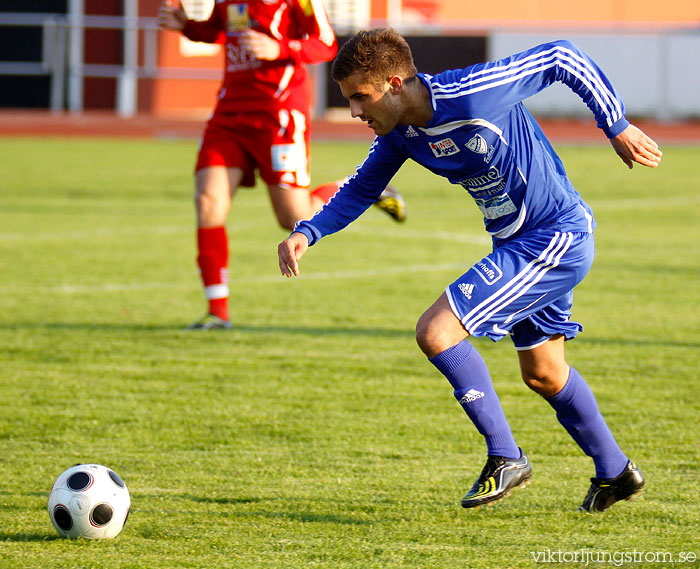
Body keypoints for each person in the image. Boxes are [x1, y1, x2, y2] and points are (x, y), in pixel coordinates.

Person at [278, 28, 662, 512]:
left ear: (395, 84)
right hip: (518, 241)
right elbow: (358, 190)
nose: (355, 111)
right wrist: (306, 231)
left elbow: (563, 55)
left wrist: (617, 124)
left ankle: (506, 457)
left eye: (361, 97)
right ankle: (616, 472)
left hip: (555, 237)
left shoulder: (472, 92)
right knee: (544, 373)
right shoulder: (399, 133)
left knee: (436, 331)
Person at [158, 2, 405, 330]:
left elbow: (326, 43)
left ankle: (360, 188)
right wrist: (185, 25)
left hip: (279, 114)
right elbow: (219, 30)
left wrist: (280, 47)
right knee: (208, 202)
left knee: (293, 218)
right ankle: (217, 312)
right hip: (230, 113)